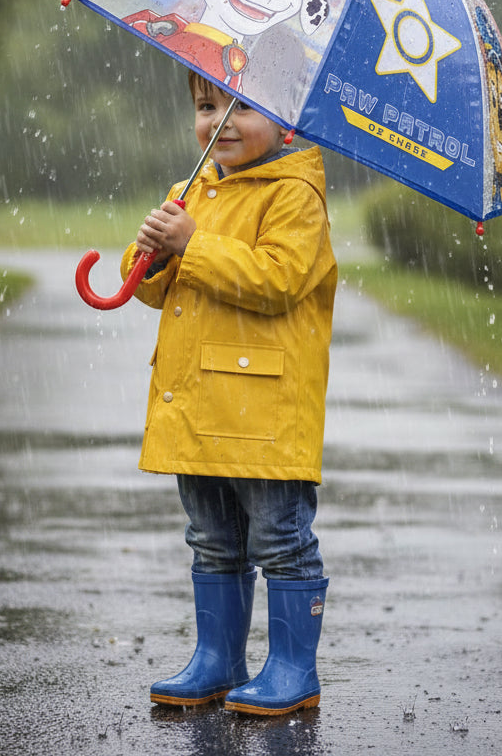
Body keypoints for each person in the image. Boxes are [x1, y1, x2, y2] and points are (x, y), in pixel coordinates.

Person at [120, 70, 337, 716]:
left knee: (279, 538)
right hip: (198, 407)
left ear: (287, 121)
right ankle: (217, 660)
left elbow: (277, 280)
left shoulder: (295, 195)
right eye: (207, 105)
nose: (220, 121)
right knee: (211, 536)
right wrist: (153, 253)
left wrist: (194, 243)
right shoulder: (195, 193)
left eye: (243, 108)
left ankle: (295, 668)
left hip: (264, 414)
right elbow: (158, 287)